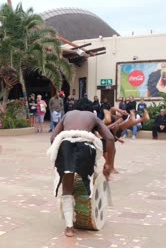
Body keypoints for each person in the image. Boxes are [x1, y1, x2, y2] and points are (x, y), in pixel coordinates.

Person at [48, 100, 116, 237]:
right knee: (87, 182)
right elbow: (109, 138)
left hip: (65, 144)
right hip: (85, 146)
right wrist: (109, 164)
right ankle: (85, 205)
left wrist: (60, 155)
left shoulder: (67, 115)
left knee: (67, 186)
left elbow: (53, 137)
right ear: (91, 110)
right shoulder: (92, 116)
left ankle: (69, 227)